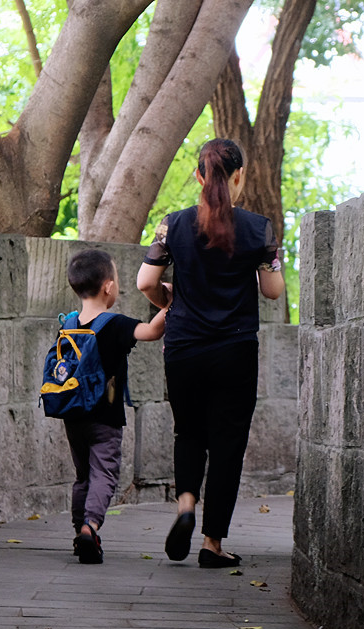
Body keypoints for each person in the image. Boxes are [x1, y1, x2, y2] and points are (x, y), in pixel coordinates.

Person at [137, 139, 284, 568]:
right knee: (227, 445)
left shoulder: (172, 225)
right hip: (235, 349)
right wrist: (263, 263)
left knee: (189, 432)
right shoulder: (260, 229)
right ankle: (212, 543)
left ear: (199, 176)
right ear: (238, 177)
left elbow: (146, 282)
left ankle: (185, 504)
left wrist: (173, 302)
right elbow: (273, 291)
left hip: (183, 347)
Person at [59, 249, 168, 564]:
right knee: (105, 471)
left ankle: (80, 531)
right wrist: (172, 303)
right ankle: (91, 526)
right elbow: (151, 331)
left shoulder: (68, 323)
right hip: (105, 415)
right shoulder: (115, 323)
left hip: (72, 412)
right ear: (108, 287)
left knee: (82, 475)